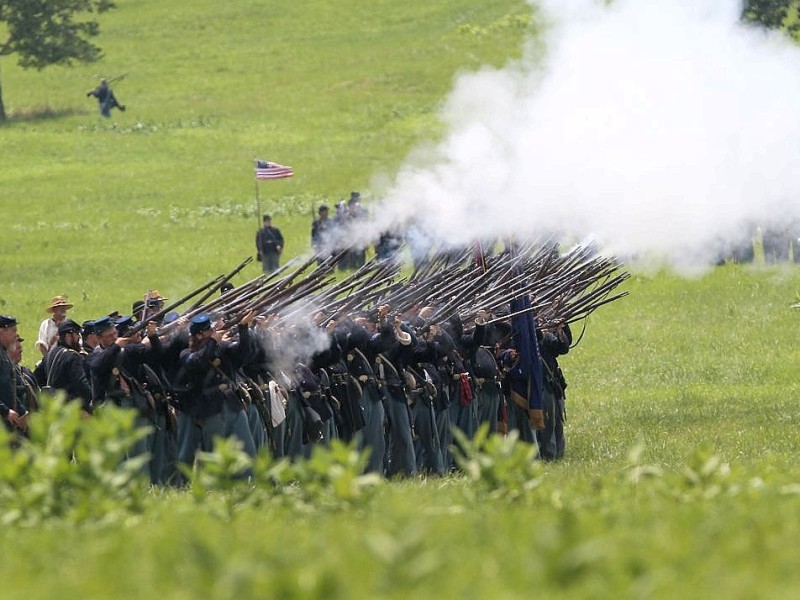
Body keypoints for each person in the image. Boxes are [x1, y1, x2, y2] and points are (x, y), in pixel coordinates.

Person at [0, 315, 29, 434]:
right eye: (13, 331)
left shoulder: (3, 353)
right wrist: (5, 411)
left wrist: (22, 412)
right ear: (2, 331)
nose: (15, 336)